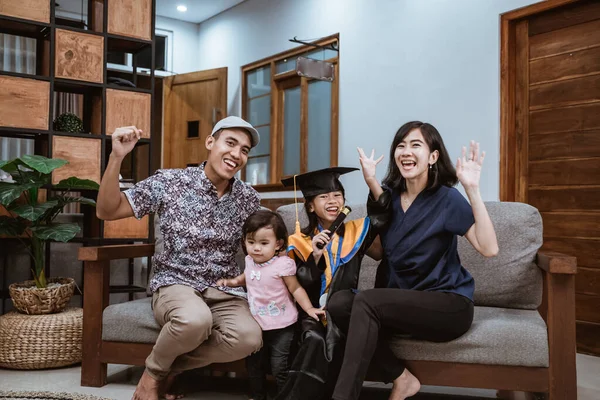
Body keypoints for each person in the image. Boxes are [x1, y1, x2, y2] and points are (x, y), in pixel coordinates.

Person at [95, 116, 264, 400]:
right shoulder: (170, 182)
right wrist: (116, 157)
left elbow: (262, 247)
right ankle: (152, 376)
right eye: (230, 143)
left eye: (244, 149)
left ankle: (164, 370)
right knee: (194, 320)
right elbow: (107, 211)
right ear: (210, 143)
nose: (236, 154)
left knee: (249, 337)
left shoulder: (249, 199)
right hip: (176, 283)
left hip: (224, 289)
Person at [331, 121, 499, 400]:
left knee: (367, 301)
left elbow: (489, 247)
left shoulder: (447, 199)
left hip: (448, 304)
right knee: (339, 303)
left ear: (433, 157)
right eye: (401, 145)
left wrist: (472, 189)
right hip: (401, 303)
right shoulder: (388, 196)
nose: (406, 151)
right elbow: (380, 252)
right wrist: (354, 228)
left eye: (415, 145)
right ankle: (401, 377)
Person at [274, 167, 383, 400]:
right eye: (324, 196)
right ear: (311, 206)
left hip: (344, 312)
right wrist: (314, 256)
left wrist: (372, 180)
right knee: (314, 339)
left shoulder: (356, 232)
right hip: (312, 313)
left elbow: (380, 219)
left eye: (337, 195)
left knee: (334, 339)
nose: (333, 201)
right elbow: (297, 286)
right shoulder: (299, 241)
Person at [216, 209, 325, 400]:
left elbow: (296, 289)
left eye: (264, 243)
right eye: (251, 242)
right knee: (253, 365)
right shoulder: (250, 261)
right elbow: (247, 277)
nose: (256, 248)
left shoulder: (282, 265)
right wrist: (233, 282)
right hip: (257, 323)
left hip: (282, 325)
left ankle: (286, 396)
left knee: (279, 366)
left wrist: (308, 309)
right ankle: (258, 396)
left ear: (278, 244)